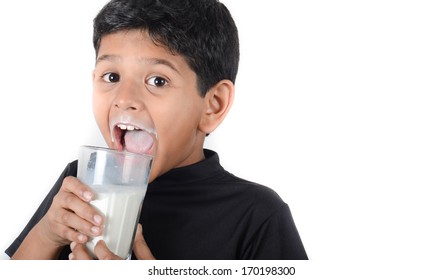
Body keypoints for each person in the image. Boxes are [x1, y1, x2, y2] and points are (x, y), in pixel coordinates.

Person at [6, 0, 308, 260]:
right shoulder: (80, 180)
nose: (124, 98)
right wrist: (46, 235)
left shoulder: (256, 216)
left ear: (213, 105)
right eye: (111, 76)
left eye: (157, 81)